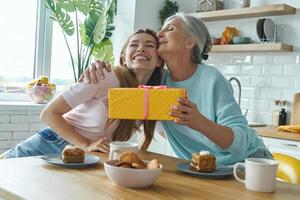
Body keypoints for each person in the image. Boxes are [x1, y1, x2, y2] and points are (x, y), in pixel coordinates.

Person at [82, 13, 271, 165]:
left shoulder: (212, 78)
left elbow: (240, 145)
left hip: (246, 164)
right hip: (201, 168)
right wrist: (98, 66)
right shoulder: (158, 80)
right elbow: (129, 70)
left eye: (170, 29)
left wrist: (199, 122)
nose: (159, 34)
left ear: (189, 42)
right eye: (161, 29)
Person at [3, 29, 163, 158]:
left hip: (89, 157)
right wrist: (86, 144)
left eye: (149, 45)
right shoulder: (103, 76)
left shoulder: (154, 96)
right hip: (51, 145)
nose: (141, 48)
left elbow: (167, 130)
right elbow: (49, 114)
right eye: (134, 44)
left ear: (159, 60)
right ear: (123, 57)